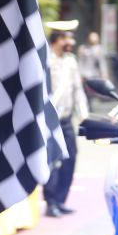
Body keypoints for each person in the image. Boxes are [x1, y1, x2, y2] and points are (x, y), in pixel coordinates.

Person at [43, 21, 87, 218]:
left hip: (67, 120)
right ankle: (51, 201)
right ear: (57, 39)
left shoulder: (71, 61)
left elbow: (78, 90)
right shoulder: (45, 59)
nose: (72, 42)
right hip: (50, 120)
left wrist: (84, 114)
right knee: (53, 162)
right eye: (67, 38)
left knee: (70, 159)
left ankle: (61, 200)